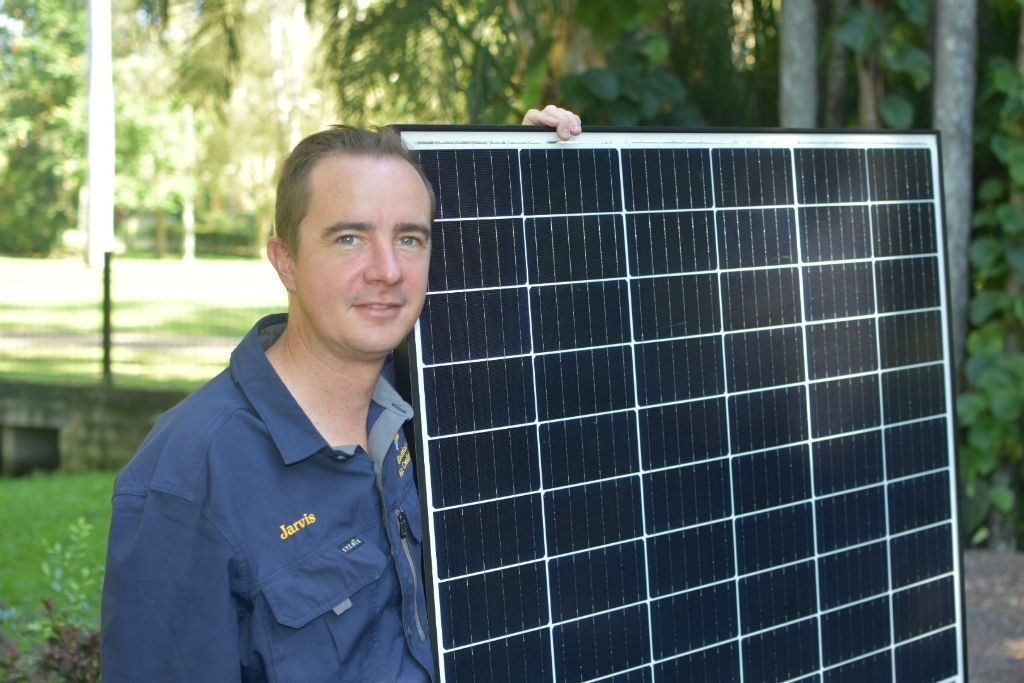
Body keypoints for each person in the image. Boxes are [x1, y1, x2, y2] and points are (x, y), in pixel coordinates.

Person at [100, 105, 582, 682]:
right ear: (286, 261)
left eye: (409, 238)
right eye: (349, 238)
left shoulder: (441, 408)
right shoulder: (189, 476)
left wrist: (530, 171)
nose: (387, 270)